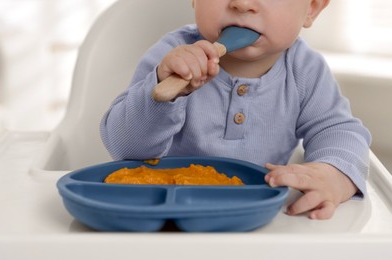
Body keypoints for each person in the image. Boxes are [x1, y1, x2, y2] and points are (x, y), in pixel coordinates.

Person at [100, 0, 371, 220]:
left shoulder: (305, 70)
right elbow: (124, 148)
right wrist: (159, 90)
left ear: (311, 8)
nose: (242, 4)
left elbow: (338, 130)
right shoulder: (171, 57)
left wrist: (335, 174)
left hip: (256, 217)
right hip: (165, 211)